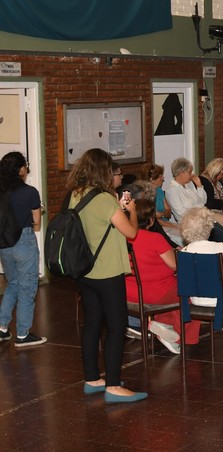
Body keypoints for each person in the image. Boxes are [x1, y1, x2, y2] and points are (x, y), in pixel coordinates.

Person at [68, 148, 147, 403]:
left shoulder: (76, 194)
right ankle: (113, 384)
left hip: (85, 271)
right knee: (116, 326)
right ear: (104, 171)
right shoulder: (105, 200)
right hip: (108, 271)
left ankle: (92, 379)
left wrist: (117, 205)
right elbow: (131, 232)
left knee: (92, 324)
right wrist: (131, 209)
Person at [125, 197, 200, 354]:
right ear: (151, 220)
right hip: (156, 294)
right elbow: (174, 265)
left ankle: (164, 328)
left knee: (172, 291)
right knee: (188, 290)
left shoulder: (122, 238)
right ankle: (178, 337)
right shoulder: (155, 239)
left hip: (129, 293)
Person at [180, 207, 223, 347]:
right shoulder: (219, 247)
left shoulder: (184, 251)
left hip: (196, 300)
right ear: (209, 227)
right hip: (220, 298)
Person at [165, 157, 223, 262]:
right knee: (218, 232)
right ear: (181, 173)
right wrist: (198, 211)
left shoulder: (189, 185)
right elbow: (181, 213)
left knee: (221, 230)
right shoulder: (172, 190)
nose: (192, 174)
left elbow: (202, 201)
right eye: (189, 172)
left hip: (201, 217)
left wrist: (200, 186)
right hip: (189, 222)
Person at [0, 152, 44, 346]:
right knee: (27, 289)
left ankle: (2, 328)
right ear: (20, 170)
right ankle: (23, 334)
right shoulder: (30, 192)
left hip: (4, 244)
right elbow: (36, 222)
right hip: (24, 241)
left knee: (13, 284)